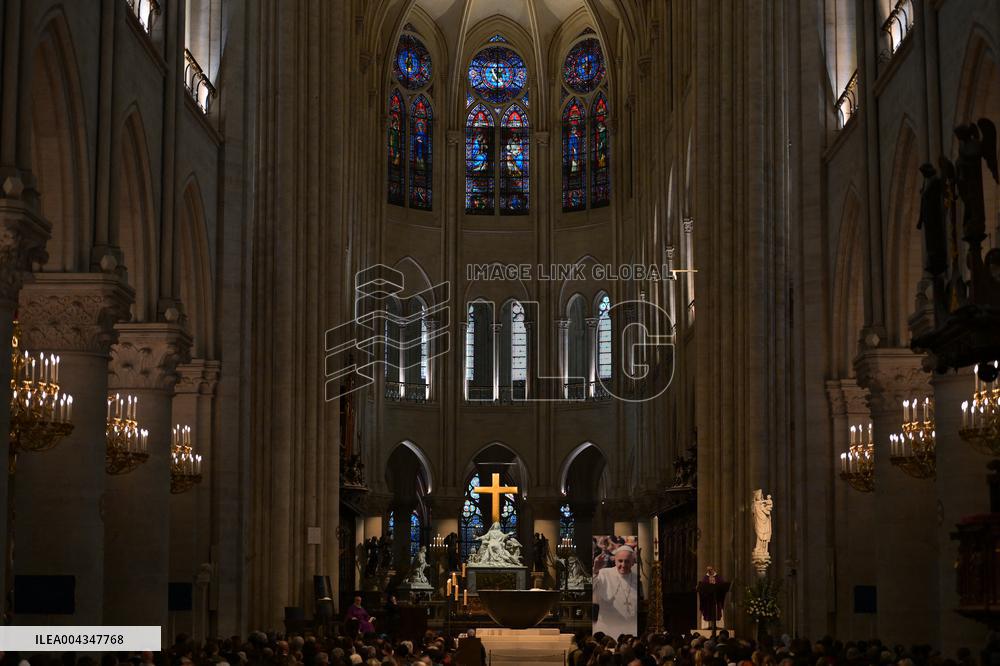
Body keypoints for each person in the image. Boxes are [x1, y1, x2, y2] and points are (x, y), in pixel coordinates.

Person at [592, 545, 638, 638]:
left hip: (629, 629)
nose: (623, 565)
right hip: (606, 629)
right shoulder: (604, 573)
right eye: (620, 561)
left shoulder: (636, 577)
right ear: (615, 560)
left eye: (627, 561)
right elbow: (592, 587)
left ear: (633, 562)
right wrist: (595, 571)